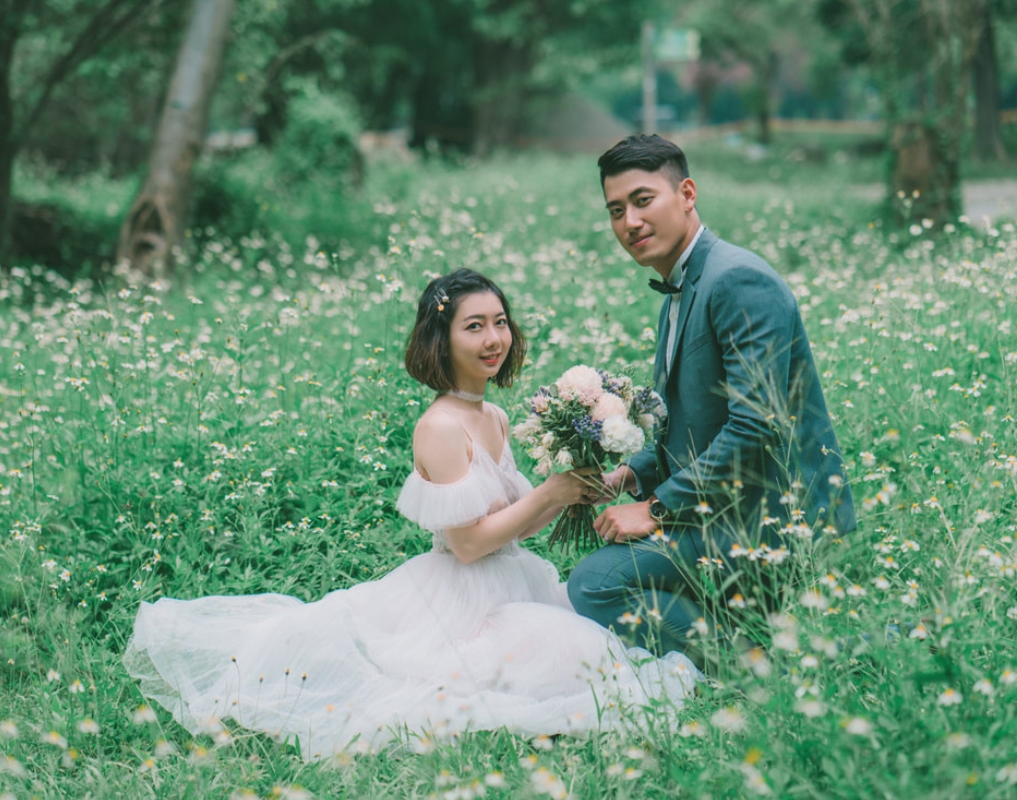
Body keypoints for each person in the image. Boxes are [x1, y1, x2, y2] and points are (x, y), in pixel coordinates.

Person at [124, 268, 698, 761]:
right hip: (461, 594)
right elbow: (470, 544)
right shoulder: (440, 426)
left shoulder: (494, 419)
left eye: (500, 321)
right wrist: (549, 493)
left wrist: (572, 492)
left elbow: (517, 528)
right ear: (441, 341)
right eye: (474, 326)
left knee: (585, 657)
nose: (493, 337)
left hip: (514, 581)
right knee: (558, 669)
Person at [567, 135, 857, 660]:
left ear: (687, 193)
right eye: (615, 210)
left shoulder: (737, 280)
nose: (629, 222)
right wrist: (626, 477)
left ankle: (748, 664)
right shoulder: (681, 289)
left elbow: (757, 427)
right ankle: (758, 633)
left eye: (642, 200)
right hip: (719, 508)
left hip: (768, 519)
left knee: (593, 584)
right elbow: (690, 427)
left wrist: (654, 510)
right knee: (604, 559)